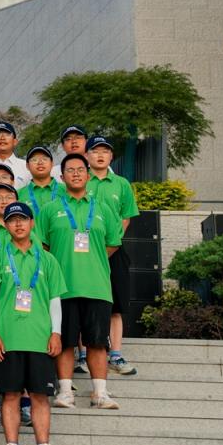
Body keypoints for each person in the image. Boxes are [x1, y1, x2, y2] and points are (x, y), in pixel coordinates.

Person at [39, 153, 123, 411]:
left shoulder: (103, 208)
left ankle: (100, 393)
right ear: (61, 177)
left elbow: (112, 243)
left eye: (80, 170)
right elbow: (43, 245)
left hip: (97, 287)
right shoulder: (50, 209)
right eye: (70, 170)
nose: (75, 174)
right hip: (62, 288)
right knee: (65, 341)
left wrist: (91, 260)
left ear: (88, 175)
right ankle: (65, 392)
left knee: (97, 341)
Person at [0, 202, 66, 445]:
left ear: (32, 223)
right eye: (12, 220)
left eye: (23, 219)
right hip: (8, 339)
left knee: (40, 396)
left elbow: (55, 301)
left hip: (40, 338)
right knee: (10, 395)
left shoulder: (48, 259)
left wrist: (56, 332)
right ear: (5, 225)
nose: (18, 224)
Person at [85, 136, 141, 377]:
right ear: (86, 155)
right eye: (95, 151)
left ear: (111, 156)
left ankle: (115, 354)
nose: (100, 155)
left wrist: (111, 246)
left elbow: (126, 218)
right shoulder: (80, 179)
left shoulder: (121, 184)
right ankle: (82, 354)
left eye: (105, 151)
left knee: (115, 304)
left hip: (113, 251)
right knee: (83, 303)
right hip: (82, 254)